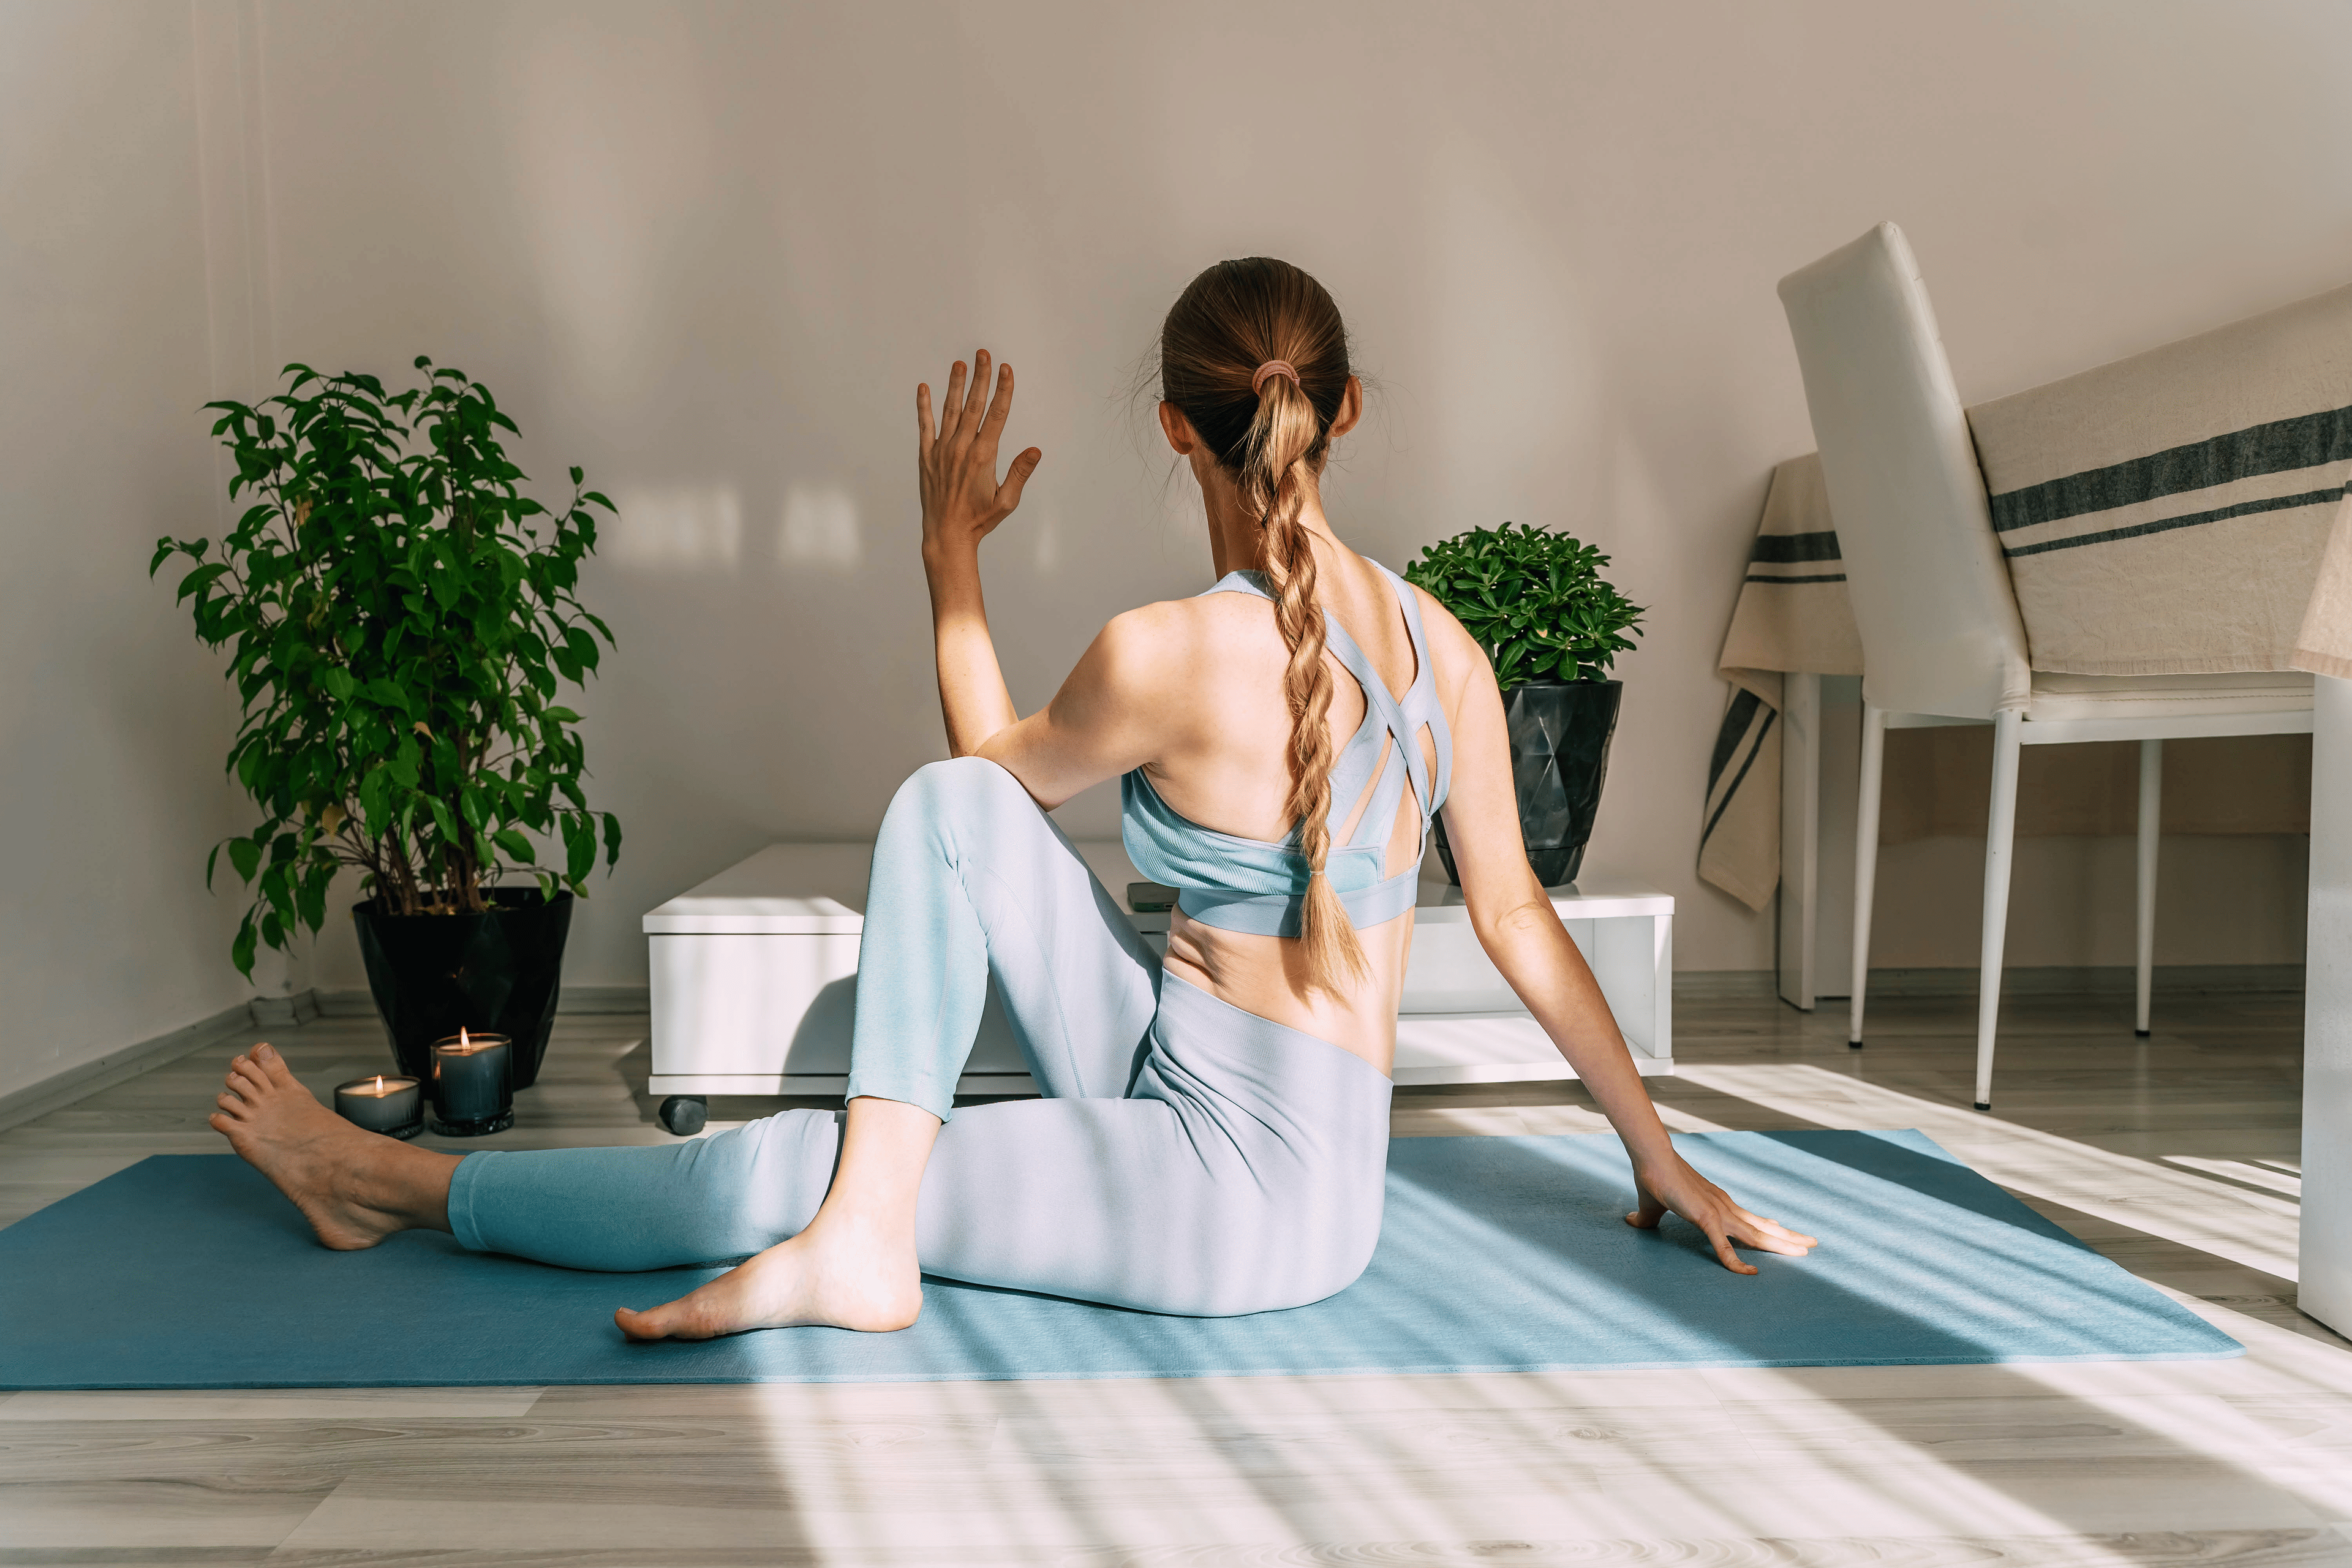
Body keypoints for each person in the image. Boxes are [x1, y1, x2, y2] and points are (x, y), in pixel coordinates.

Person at [210, 257, 1815, 1340]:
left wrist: (947, 555)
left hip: (1236, 1208)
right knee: (948, 811)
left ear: (1177, 428)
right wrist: (1655, 1156)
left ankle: (395, 1180)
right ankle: (868, 1225)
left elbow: (998, 762)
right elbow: (1519, 923)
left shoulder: (1160, 651)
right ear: (1345, 410)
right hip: (1240, 1121)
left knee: (798, 1165)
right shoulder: (1440, 643)